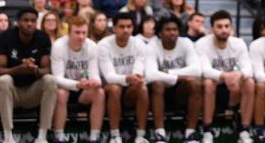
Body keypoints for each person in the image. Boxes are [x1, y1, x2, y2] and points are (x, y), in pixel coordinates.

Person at [0, 7, 57, 143]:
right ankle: (8, 136)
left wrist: (35, 70)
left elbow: (47, 69)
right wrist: (20, 68)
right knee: (3, 80)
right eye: (26, 20)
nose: (29, 23)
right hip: (12, 93)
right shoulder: (5, 37)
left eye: (33, 21)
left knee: (51, 80)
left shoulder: (43, 37)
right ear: (18, 22)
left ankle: (42, 136)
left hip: (33, 92)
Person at [196, 10, 255, 143]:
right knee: (208, 83)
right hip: (213, 84)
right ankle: (207, 130)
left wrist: (239, 74)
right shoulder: (202, 44)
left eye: (227, 26)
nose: (224, 30)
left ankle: (245, 130)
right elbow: (204, 70)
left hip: (233, 84)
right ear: (212, 29)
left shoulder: (239, 43)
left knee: (249, 82)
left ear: (231, 27)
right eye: (220, 26)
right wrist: (225, 76)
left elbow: (249, 68)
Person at [146, 15, 203, 143]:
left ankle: (190, 134)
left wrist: (170, 73)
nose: (172, 32)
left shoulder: (186, 43)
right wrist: (181, 77)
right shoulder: (152, 45)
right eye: (168, 29)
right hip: (158, 92)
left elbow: (197, 70)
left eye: (175, 29)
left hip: (180, 92)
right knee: (158, 84)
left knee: (195, 83)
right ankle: (160, 134)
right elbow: (150, 75)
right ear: (160, 33)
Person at [52, 15, 105, 142]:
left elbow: (94, 73)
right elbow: (57, 77)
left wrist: (95, 81)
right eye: (77, 32)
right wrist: (77, 84)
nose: (81, 36)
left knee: (100, 92)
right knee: (61, 93)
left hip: (84, 88)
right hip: (65, 87)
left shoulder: (92, 46)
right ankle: (58, 135)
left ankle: (94, 136)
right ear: (69, 32)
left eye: (84, 33)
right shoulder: (58, 46)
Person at [98, 12, 150, 143]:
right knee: (115, 88)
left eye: (129, 26)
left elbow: (138, 72)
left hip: (129, 88)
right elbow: (109, 77)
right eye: (121, 27)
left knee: (142, 88)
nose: (126, 30)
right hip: (107, 89)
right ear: (114, 28)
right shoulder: (103, 45)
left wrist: (135, 78)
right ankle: (115, 136)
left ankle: (140, 136)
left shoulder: (139, 44)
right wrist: (128, 78)